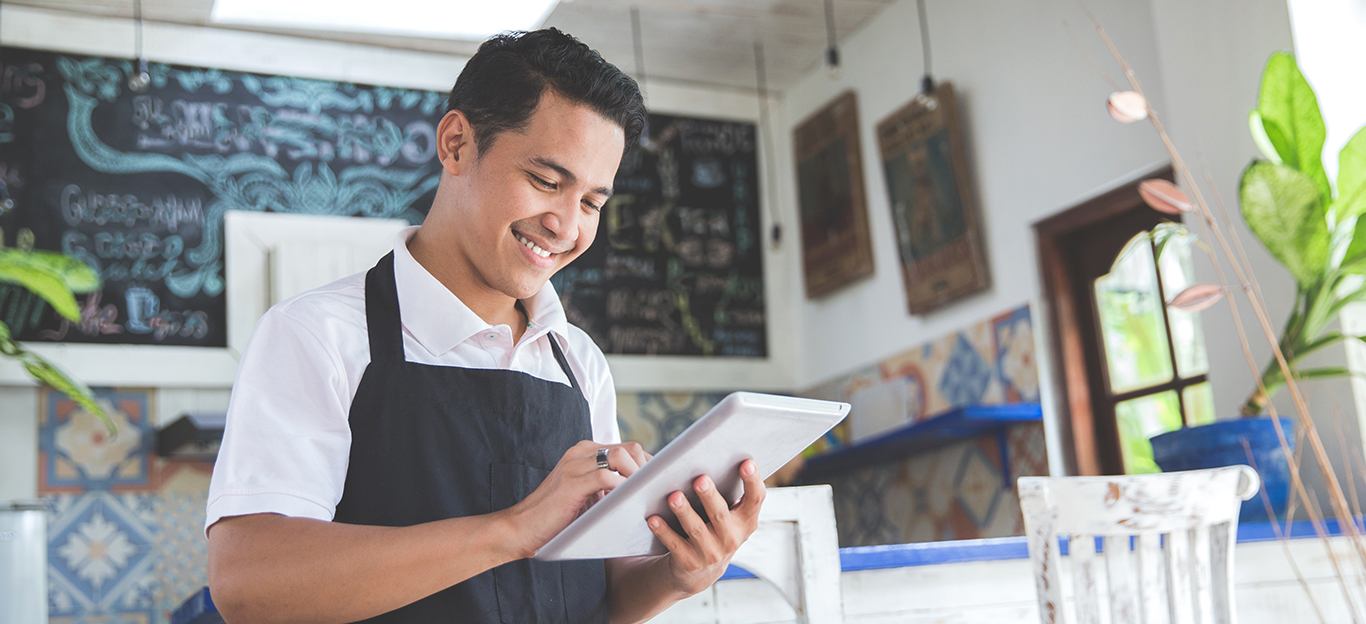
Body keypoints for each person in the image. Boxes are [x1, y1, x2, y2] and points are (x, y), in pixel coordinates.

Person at [205, 28, 766, 623]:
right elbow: (249, 581)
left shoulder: (579, 362)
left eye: (592, 203)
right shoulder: (316, 334)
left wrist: (678, 576)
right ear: (455, 145)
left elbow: (593, 600)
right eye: (547, 182)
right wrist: (512, 530)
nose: (567, 226)